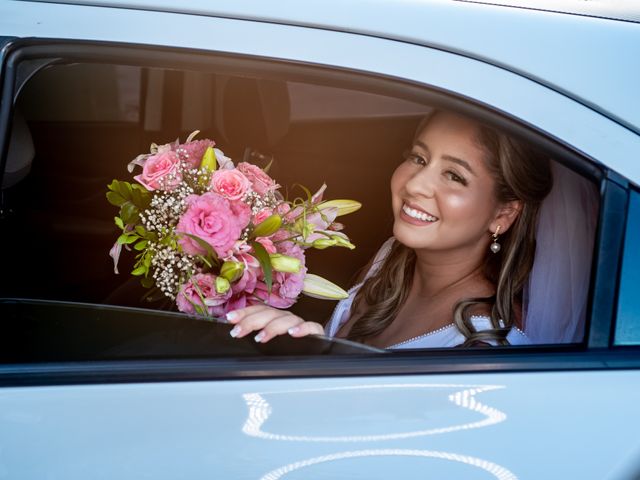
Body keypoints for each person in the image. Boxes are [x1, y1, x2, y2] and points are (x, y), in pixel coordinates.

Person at [225, 110, 554, 348]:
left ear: (505, 213)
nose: (415, 184)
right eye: (418, 158)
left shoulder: (484, 349)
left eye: (454, 176)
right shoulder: (391, 260)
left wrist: (317, 363)